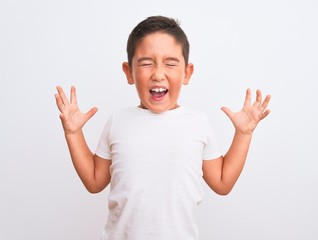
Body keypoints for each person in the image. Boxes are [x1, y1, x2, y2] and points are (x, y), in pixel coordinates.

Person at [55, 15, 271, 240]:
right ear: (129, 72)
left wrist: (243, 134)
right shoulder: (118, 121)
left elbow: (223, 182)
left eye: (170, 63)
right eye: (146, 63)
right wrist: (73, 133)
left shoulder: (198, 123)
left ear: (186, 73)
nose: (158, 74)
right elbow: (93, 181)